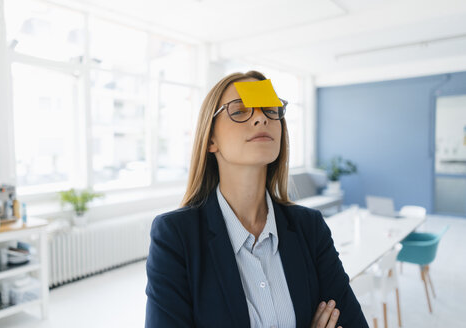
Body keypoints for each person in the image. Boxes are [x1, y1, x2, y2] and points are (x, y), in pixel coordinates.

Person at [145, 71, 368, 328]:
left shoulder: (310, 227)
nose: (261, 117)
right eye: (240, 111)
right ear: (210, 140)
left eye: (270, 110)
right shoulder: (175, 236)